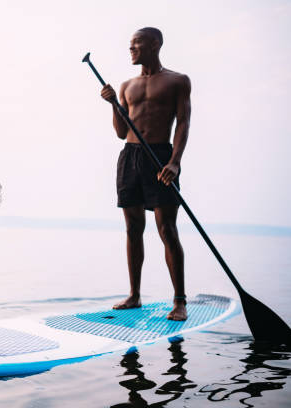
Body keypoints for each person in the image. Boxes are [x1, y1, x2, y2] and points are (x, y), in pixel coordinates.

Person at [100, 27, 191, 321]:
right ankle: (134, 295)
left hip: (161, 157)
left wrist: (175, 162)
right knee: (133, 228)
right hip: (130, 157)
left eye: (136, 44)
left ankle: (179, 300)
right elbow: (120, 132)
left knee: (167, 229)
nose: (131, 50)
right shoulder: (127, 86)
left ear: (154, 44)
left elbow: (183, 123)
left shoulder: (178, 81)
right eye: (130, 46)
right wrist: (114, 104)